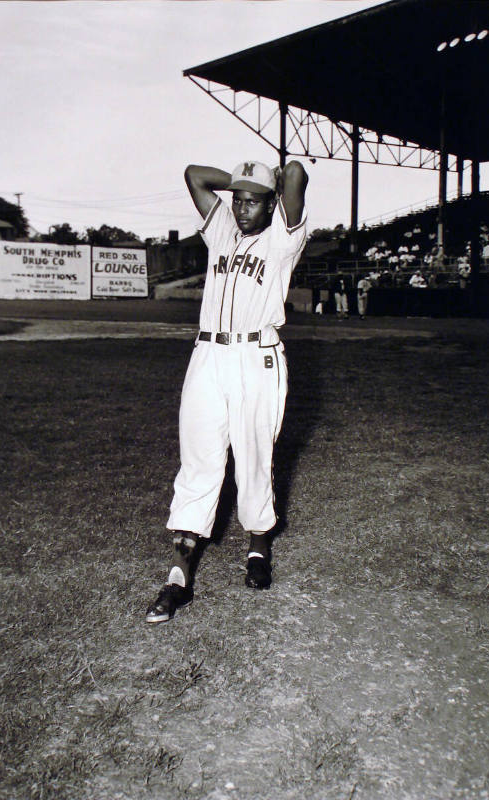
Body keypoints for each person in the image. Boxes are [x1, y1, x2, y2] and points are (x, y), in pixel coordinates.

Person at [146, 158, 308, 623]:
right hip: (208, 357)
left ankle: (258, 549)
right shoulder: (221, 230)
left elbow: (296, 172)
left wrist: (272, 182)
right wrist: (242, 181)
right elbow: (195, 174)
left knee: (254, 459)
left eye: (252, 201)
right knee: (198, 460)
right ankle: (178, 576)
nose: (241, 208)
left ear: (270, 203)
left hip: (257, 358)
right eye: (238, 199)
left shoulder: (282, 237)